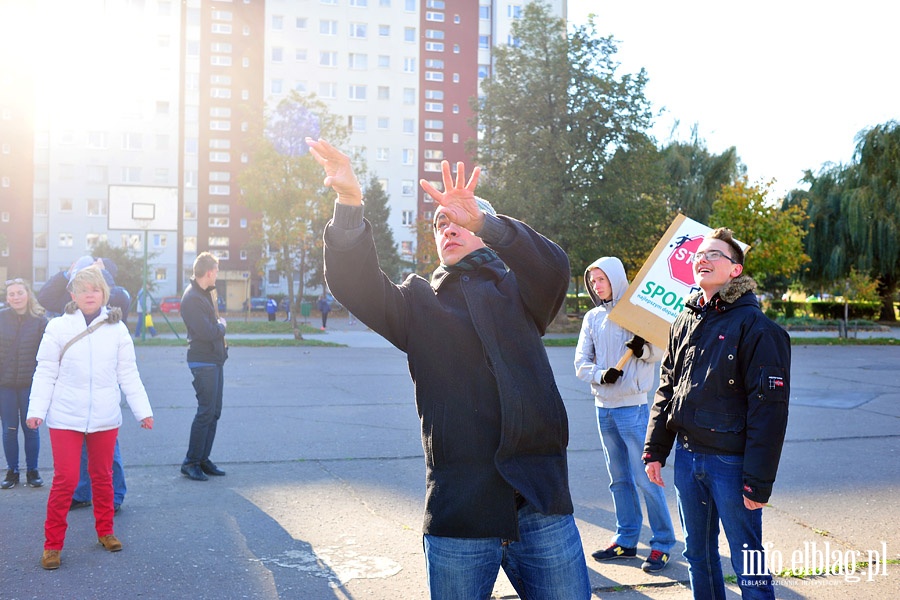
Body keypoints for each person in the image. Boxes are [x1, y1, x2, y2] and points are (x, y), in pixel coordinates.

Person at [309, 138, 591, 599]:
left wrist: (488, 221)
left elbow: (554, 266)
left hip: (541, 505)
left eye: (459, 218)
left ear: (484, 229)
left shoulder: (521, 291)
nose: (448, 226)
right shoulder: (417, 302)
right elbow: (353, 283)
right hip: (461, 513)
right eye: (440, 222)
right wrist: (348, 203)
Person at [643, 228, 791, 599]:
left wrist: (759, 482)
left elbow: (769, 413)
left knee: (748, 561)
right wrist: (655, 450)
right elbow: (668, 387)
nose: (702, 259)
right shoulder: (685, 320)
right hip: (688, 459)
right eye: (699, 254)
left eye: (714, 255)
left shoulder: (757, 328)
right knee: (698, 555)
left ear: (735, 270)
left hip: (731, 465)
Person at [26, 265, 153, 570]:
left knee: (103, 476)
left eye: (95, 289)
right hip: (65, 416)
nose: (89, 295)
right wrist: (36, 410)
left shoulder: (117, 329)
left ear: (104, 294)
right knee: (66, 479)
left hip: (105, 416)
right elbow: (45, 371)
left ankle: (106, 531)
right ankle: (52, 545)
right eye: (83, 290)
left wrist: (143, 411)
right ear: (72, 294)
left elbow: (128, 374)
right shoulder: (57, 327)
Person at [573, 257, 676, 572]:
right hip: (603, 409)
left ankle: (661, 544)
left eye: (601, 279)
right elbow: (580, 362)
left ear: (616, 279)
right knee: (619, 480)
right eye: (593, 281)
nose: (596, 285)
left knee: (647, 479)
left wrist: (643, 348)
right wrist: (601, 374)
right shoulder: (592, 318)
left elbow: (661, 351)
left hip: (633, 408)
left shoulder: (638, 315)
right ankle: (626, 540)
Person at [179, 252, 228, 482]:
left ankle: (203, 459)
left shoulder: (205, 294)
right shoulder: (192, 299)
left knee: (214, 412)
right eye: (216, 271)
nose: (217, 274)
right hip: (203, 362)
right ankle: (190, 462)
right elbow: (207, 331)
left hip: (214, 360)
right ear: (209, 272)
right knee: (205, 411)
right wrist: (222, 327)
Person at [0, 278, 48, 489]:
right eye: (11, 294)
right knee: (9, 429)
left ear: (27, 294)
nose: (16, 297)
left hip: (31, 385)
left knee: (31, 429)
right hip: (6, 385)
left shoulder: (40, 320)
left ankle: (32, 471)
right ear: (7, 298)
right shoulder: (1, 318)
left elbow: (47, 355)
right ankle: (12, 471)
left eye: (20, 292)